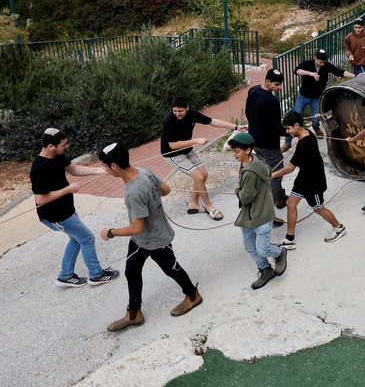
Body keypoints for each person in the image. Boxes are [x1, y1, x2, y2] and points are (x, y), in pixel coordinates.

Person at [99, 143, 202, 332]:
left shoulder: (133, 191)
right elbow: (166, 190)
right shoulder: (143, 171)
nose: (104, 170)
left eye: (104, 166)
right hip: (141, 241)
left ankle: (193, 295)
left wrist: (111, 232)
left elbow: (137, 227)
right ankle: (134, 313)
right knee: (131, 271)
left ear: (114, 166)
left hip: (156, 240)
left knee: (172, 269)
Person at [30, 128, 120, 288]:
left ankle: (65, 276)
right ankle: (96, 275)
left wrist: (101, 171)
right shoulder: (39, 168)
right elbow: (41, 199)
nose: (66, 146)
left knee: (77, 239)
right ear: (51, 146)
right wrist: (68, 189)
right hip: (55, 215)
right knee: (87, 238)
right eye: (63, 144)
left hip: (66, 209)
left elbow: (74, 169)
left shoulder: (57, 155)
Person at [271, 111, 347, 249]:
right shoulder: (306, 133)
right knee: (290, 204)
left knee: (318, 208)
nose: (287, 132)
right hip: (304, 178)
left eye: (288, 129)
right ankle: (290, 239)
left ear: (297, 125)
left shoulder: (305, 144)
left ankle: (339, 227)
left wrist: (271, 175)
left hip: (314, 181)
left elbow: (289, 168)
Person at [161, 96, 244, 221]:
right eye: (175, 111)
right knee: (199, 177)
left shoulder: (192, 114)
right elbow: (172, 145)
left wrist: (236, 127)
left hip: (187, 150)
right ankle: (209, 206)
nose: (177, 113)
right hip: (173, 154)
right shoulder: (169, 120)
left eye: (180, 111)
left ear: (187, 108)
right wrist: (195, 140)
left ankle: (193, 204)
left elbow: (212, 121)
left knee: (203, 175)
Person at [228, 132, 288, 290]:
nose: (234, 155)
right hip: (249, 216)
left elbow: (246, 198)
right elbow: (267, 171)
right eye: (233, 151)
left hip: (261, 215)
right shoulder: (256, 159)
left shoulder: (249, 172)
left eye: (237, 151)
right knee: (250, 246)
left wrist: (237, 190)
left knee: (263, 249)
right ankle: (266, 270)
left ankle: (280, 252)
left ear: (247, 150)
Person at [285, 49, 355, 144]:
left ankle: (316, 128)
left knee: (315, 119)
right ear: (316, 58)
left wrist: (355, 76)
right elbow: (297, 71)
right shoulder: (307, 64)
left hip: (316, 98)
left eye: (324, 62)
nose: (322, 64)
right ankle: (287, 142)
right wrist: (310, 73)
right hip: (304, 96)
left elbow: (340, 72)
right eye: (320, 62)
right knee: (294, 116)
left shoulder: (326, 66)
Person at [245, 68, 289, 209]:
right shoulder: (271, 101)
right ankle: (269, 206)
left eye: (280, 84)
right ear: (267, 81)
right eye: (276, 84)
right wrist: (293, 132)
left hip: (254, 140)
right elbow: (276, 127)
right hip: (269, 144)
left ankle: (280, 196)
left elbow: (247, 113)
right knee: (277, 172)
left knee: (267, 169)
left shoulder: (253, 90)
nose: (279, 87)